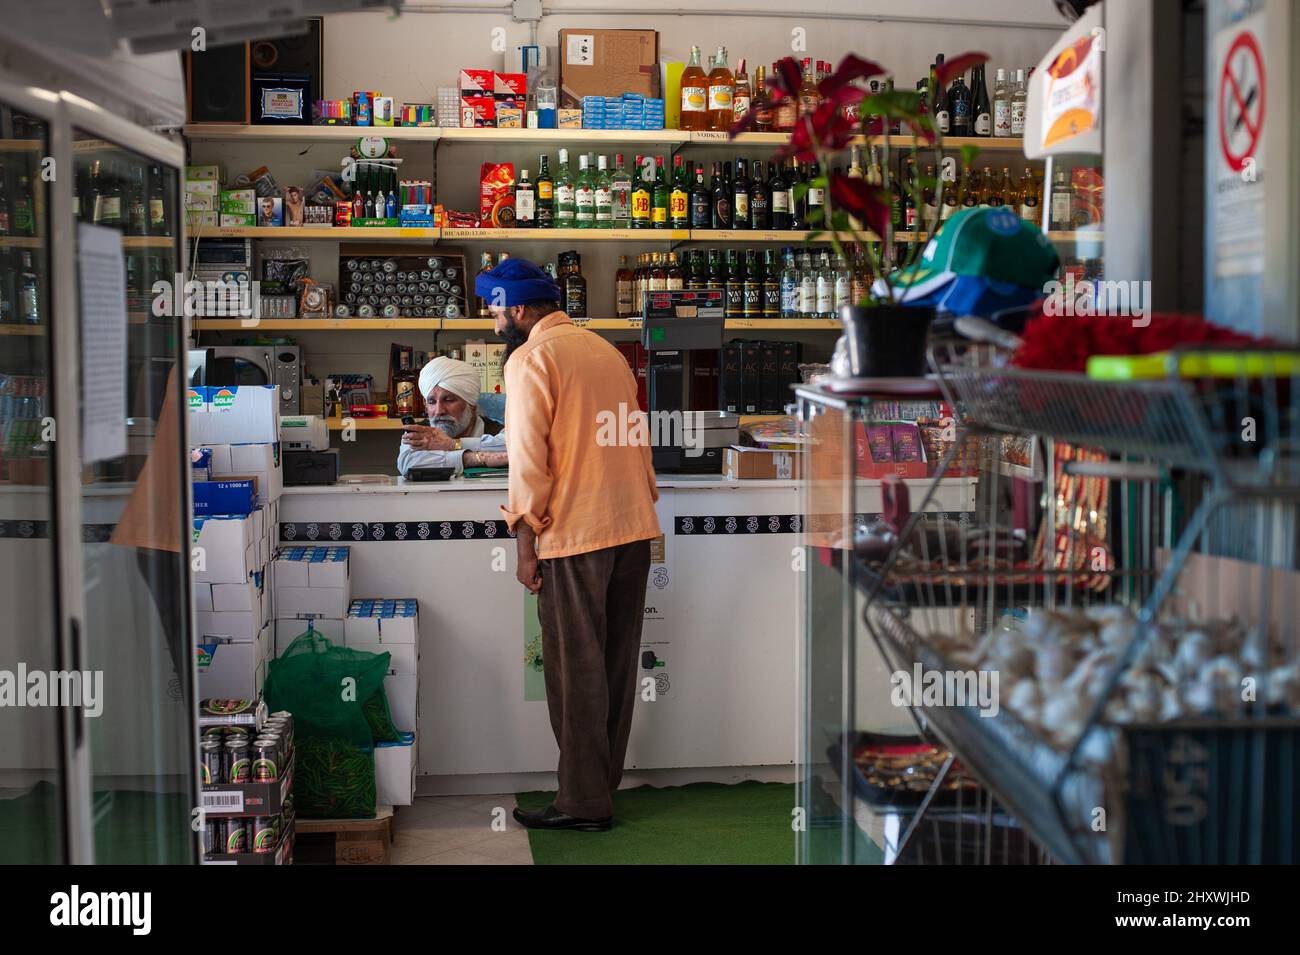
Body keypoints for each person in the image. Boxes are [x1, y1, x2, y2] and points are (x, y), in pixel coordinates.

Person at [476, 256, 661, 832]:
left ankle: (582, 804)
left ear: (522, 309)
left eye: (495, 306)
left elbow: (530, 462)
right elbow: (636, 438)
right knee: (614, 668)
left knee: (574, 670)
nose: (491, 317)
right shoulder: (606, 351)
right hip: (632, 528)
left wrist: (524, 542)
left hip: (574, 536)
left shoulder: (531, 359)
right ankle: (597, 788)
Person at [397, 355, 508, 476]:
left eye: (449, 400)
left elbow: (515, 448)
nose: (439, 411)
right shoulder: (420, 433)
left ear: (471, 406)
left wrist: (452, 444)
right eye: (431, 402)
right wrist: (472, 458)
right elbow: (408, 463)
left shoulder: (496, 430)